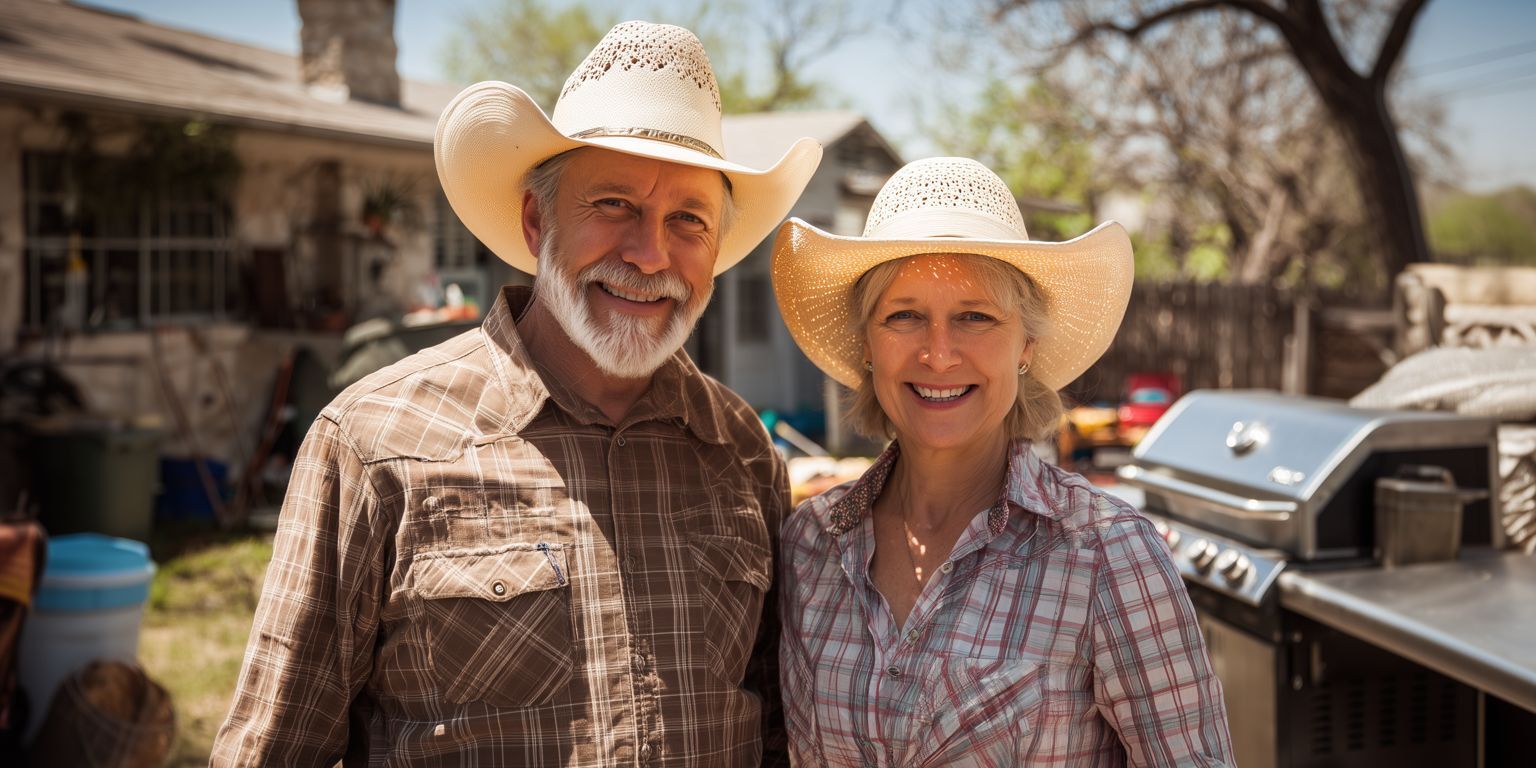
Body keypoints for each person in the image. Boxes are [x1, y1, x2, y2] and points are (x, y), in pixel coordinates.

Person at [212, 21, 821, 766]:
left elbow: (771, 734)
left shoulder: (741, 450)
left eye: (687, 219)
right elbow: (272, 749)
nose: (650, 253)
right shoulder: (374, 443)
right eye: (614, 205)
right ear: (538, 221)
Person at [772, 157, 1234, 766]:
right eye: (904, 316)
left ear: (1026, 346)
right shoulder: (811, 546)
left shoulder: (1107, 557)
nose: (939, 353)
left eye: (976, 317)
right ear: (868, 344)